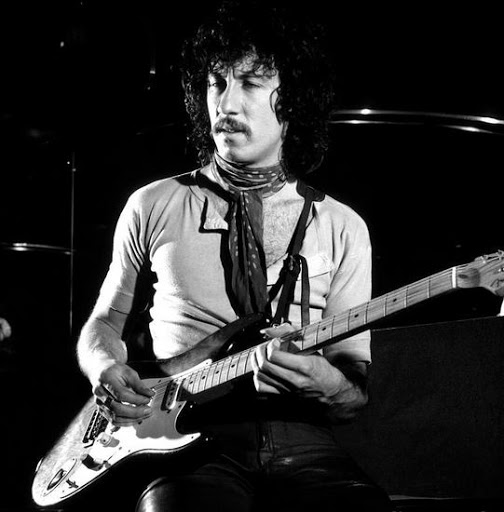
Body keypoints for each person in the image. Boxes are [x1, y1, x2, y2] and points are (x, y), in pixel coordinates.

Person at [76, 1, 392, 511]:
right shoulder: (153, 203)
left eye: (249, 83)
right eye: (216, 83)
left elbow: (353, 397)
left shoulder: (343, 226)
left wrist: (327, 383)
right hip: (186, 438)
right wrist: (103, 367)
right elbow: (104, 323)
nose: (225, 103)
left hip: (302, 441)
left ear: (294, 101)